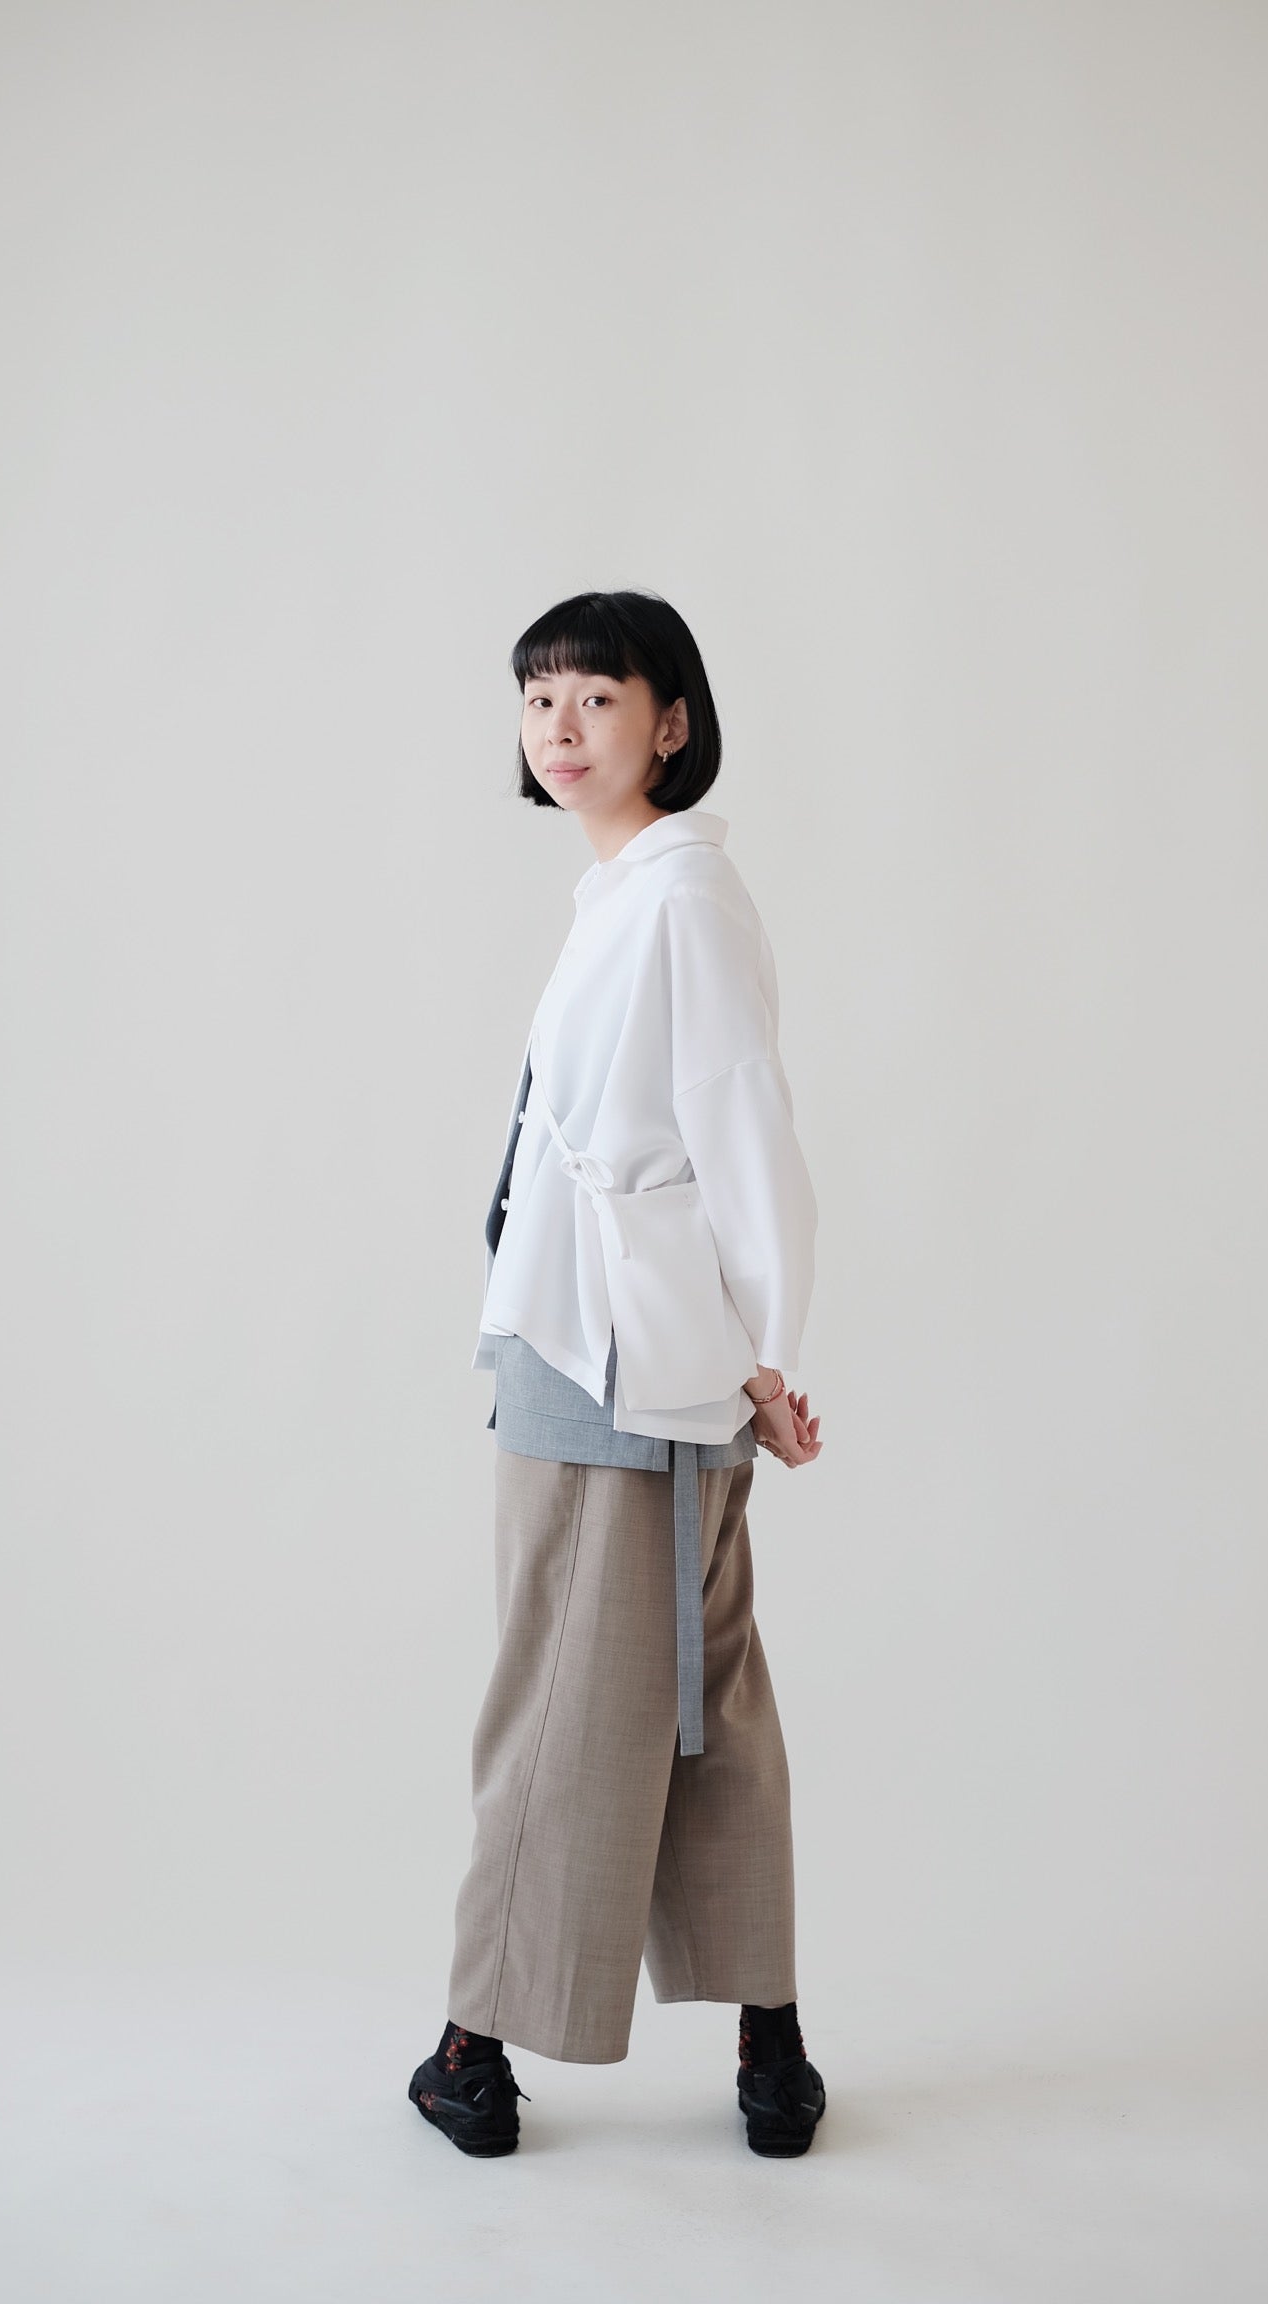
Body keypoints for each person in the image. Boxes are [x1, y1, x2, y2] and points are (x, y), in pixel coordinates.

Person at [409, 589, 825, 2160]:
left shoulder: (678, 900)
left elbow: (744, 1124)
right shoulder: (633, 893)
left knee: (559, 1704)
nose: (561, 727)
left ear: (673, 721)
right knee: (703, 1701)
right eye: (539, 700)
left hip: (607, 1355)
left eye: (597, 696)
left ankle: (475, 2047)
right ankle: (771, 2039)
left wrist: (772, 1347)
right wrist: (751, 1361)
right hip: (641, 1349)